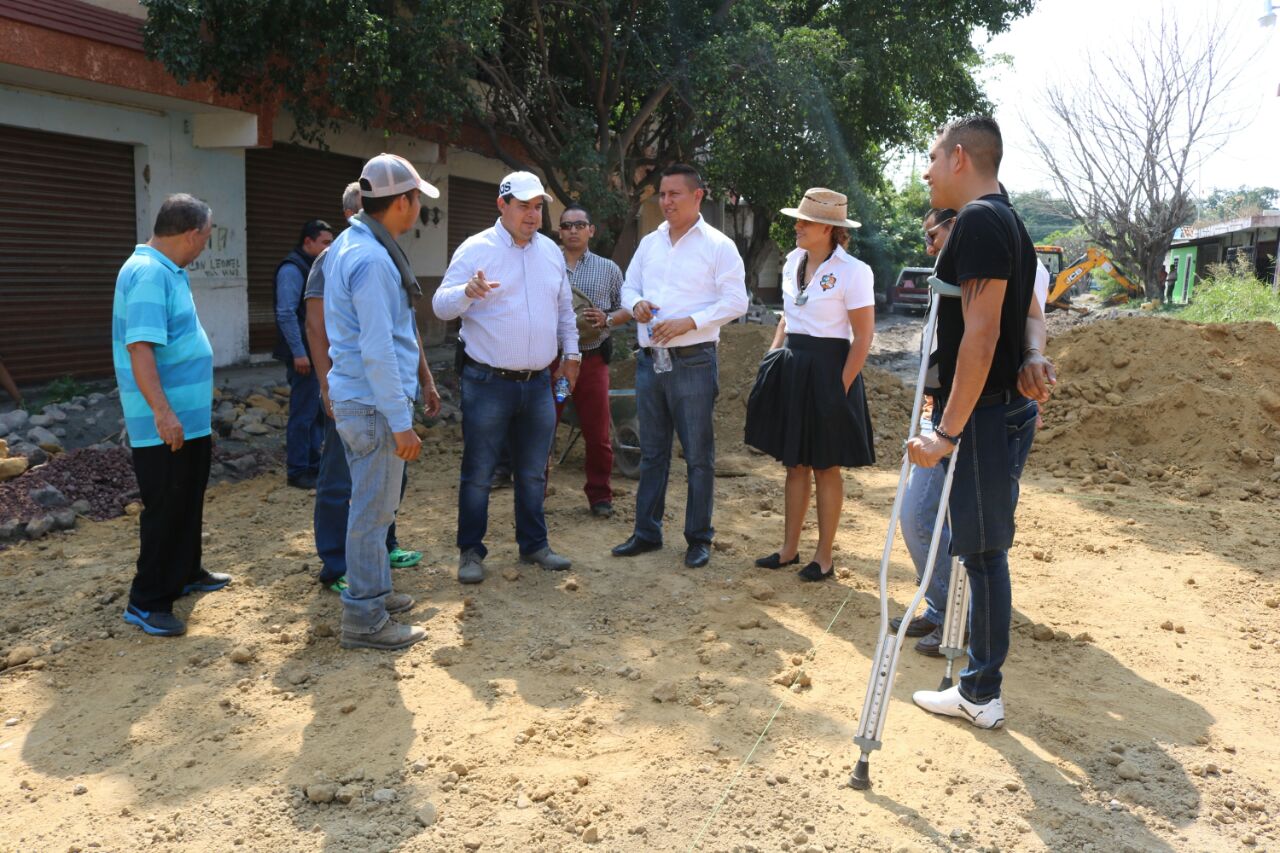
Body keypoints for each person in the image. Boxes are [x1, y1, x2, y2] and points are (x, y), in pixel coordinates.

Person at [906, 117, 1050, 729]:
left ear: (960, 157)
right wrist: (1035, 354)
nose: (928, 169)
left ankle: (981, 692)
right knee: (982, 549)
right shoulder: (1006, 219)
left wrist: (947, 433)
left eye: (934, 157)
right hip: (995, 410)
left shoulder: (984, 222)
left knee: (985, 553)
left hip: (984, 417)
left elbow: (983, 333)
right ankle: (977, 684)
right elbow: (1025, 316)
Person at [893, 208, 1055, 656]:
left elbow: (1020, 326)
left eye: (934, 235)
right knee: (928, 516)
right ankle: (945, 606)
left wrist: (1030, 360)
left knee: (976, 538)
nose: (930, 247)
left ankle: (975, 659)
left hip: (983, 416)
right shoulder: (960, 261)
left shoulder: (1000, 247)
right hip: (949, 408)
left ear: (956, 224)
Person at [432, 170, 580, 584]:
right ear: (502, 205)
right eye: (524, 206)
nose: (532, 215)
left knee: (534, 470)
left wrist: (571, 355)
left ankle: (534, 545)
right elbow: (441, 305)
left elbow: (564, 310)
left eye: (538, 207)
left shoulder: (550, 251)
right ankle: (471, 552)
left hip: (537, 383)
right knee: (479, 472)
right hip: (487, 383)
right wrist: (467, 292)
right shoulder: (476, 248)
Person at [324, 153, 438, 650]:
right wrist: (400, 421)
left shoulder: (354, 244)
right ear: (402, 203)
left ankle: (375, 591)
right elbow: (379, 348)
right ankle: (365, 618)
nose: (418, 211)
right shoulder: (371, 260)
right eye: (417, 201)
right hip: (371, 404)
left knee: (374, 509)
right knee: (372, 513)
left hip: (358, 399)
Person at [611, 164, 748, 569]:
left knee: (698, 455)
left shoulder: (718, 245)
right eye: (662, 194)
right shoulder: (650, 243)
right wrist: (634, 304)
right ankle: (646, 532)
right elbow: (628, 285)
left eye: (674, 194)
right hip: (650, 361)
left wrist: (690, 322)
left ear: (698, 196)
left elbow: (736, 302)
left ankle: (698, 538)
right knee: (653, 452)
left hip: (693, 362)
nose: (666, 202)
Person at [743, 188, 875, 581]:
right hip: (792, 366)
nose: (797, 227)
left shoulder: (854, 271)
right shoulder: (791, 261)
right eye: (798, 219)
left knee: (825, 465)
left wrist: (842, 386)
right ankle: (789, 549)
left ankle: (824, 557)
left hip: (830, 369)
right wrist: (772, 358)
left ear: (829, 229)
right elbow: (786, 316)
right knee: (794, 464)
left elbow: (863, 336)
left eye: (805, 221)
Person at [112, 194, 229, 637]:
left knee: (187, 497)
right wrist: (163, 413)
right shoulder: (146, 274)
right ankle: (147, 600)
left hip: (187, 417)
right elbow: (140, 348)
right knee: (166, 506)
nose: (205, 246)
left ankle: (185, 571)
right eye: (206, 237)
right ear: (190, 234)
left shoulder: (169, 271)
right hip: (164, 422)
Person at [557, 203, 628, 518]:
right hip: (554, 365)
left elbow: (625, 309)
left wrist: (607, 319)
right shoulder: (545, 264)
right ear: (559, 231)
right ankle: (534, 491)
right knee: (544, 426)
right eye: (566, 225)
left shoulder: (608, 269)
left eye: (579, 224)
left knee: (598, 432)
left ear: (591, 230)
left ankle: (600, 496)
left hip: (592, 363)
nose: (572, 230)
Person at [274, 219, 335, 488]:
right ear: (307, 242)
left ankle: (313, 465)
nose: (329, 248)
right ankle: (298, 470)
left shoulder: (313, 267)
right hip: (303, 357)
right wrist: (300, 353)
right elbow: (286, 313)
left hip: (314, 354)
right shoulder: (292, 269)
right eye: (325, 242)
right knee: (303, 414)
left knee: (315, 413)